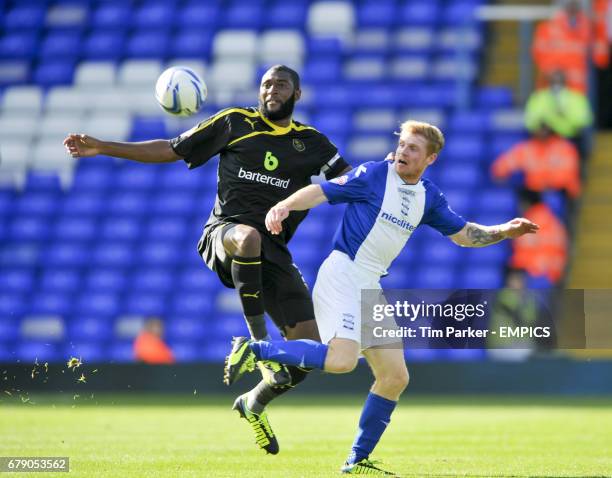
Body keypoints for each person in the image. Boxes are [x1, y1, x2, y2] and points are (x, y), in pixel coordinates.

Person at [63, 65, 351, 454]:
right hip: (224, 235)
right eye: (266, 83)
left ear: (296, 94)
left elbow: (350, 179)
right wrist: (104, 147)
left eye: (281, 85)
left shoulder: (311, 142)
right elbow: (171, 148)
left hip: (275, 255)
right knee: (248, 237)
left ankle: (254, 402)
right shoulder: (235, 122)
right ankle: (259, 345)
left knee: (309, 353)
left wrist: (386, 173)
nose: (272, 90)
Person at [224, 120, 539, 475]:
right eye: (402, 144)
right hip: (343, 273)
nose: (404, 151)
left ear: (430, 159)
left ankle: (356, 461)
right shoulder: (374, 175)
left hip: (369, 285)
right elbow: (322, 191)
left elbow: (465, 235)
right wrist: (284, 206)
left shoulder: (428, 197)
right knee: (342, 361)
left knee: (395, 377)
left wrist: (504, 230)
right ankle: (253, 350)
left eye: (413, 148)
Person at [491, 122, 581, 200]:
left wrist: (546, 180)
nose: (542, 132)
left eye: (545, 128)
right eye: (539, 128)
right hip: (534, 194)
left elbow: (568, 175)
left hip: (560, 193)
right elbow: (501, 167)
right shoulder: (527, 148)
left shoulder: (564, 147)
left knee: (553, 199)